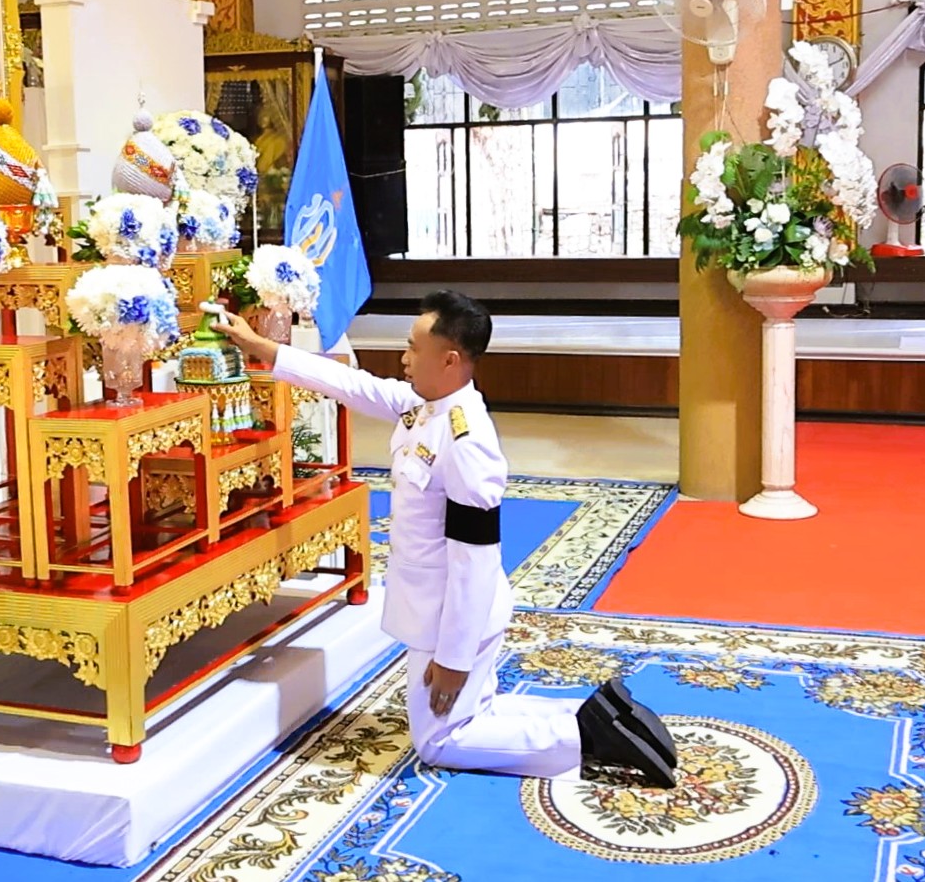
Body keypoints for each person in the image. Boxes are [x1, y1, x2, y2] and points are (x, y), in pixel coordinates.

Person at [213, 290, 679, 786]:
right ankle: (599, 712)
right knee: (474, 711)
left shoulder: (466, 441)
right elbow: (354, 385)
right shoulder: (426, 407)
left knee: (440, 742)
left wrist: (453, 657)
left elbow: (475, 560)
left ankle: (584, 736)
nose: (404, 358)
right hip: (438, 610)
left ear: (449, 358)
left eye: (414, 347)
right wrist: (261, 346)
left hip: (454, 617)